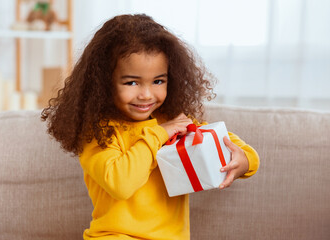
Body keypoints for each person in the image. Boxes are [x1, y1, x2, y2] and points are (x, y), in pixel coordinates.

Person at [41, 14, 259, 240]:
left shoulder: (170, 120)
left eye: (158, 81)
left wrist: (245, 160)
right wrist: (159, 134)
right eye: (132, 82)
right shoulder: (98, 132)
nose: (146, 95)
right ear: (104, 82)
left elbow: (216, 137)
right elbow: (121, 184)